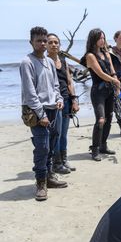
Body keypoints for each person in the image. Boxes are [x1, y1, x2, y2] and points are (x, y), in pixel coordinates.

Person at [20, 26, 68, 201]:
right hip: (35, 111)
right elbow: (30, 93)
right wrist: (42, 115)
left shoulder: (48, 61)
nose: (42, 43)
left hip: (53, 109)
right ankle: (40, 182)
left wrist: (60, 98)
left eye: (44, 40)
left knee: (52, 144)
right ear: (31, 42)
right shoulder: (27, 62)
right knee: (42, 147)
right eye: (38, 40)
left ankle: (49, 176)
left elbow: (55, 85)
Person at [80, 28, 121, 161]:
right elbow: (101, 74)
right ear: (93, 39)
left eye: (104, 38)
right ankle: (95, 149)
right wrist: (114, 80)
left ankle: (103, 145)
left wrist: (116, 82)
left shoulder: (106, 53)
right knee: (101, 120)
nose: (102, 40)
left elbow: (111, 70)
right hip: (98, 91)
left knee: (109, 118)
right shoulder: (90, 56)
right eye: (100, 38)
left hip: (110, 90)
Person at [46, 33, 79, 174]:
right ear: (46, 45)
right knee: (56, 133)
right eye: (51, 42)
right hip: (53, 102)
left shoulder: (63, 60)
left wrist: (74, 100)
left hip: (66, 99)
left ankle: (64, 159)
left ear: (59, 45)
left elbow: (69, 81)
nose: (54, 44)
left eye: (56, 42)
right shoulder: (45, 61)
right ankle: (56, 162)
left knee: (64, 133)